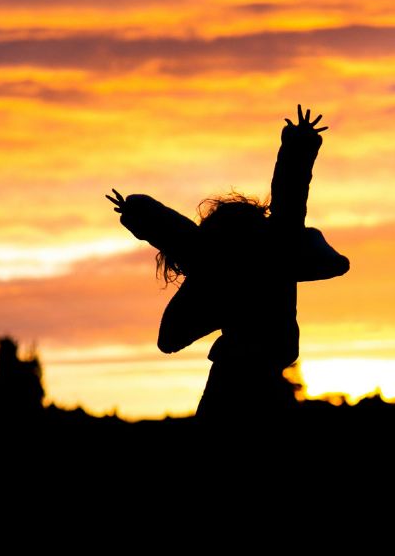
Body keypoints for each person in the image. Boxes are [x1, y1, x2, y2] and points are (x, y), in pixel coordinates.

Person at [107, 105, 349, 421]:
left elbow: (178, 235)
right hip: (251, 376)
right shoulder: (271, 248)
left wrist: (136, 212)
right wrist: (299, 141)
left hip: (235, 376)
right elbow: (289, 198)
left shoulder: (227, 257)